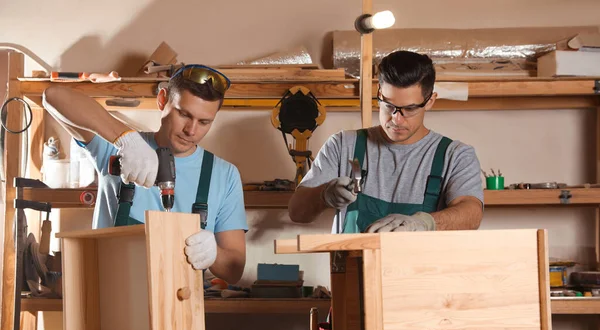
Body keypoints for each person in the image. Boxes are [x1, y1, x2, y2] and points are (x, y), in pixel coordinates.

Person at [42, 65, 247, 284]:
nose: (191, 130)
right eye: (184, 114)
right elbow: (52, 96)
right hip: (112, 301)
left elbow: (234, 271)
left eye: (204, 122)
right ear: (162, 100)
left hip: (180, 308)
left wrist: (213, 253)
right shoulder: (117, 150)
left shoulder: (224, 175)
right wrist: (126, 139)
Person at [288, 50, 483, 233]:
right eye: (389, 106)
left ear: (430, 101)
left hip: (422, 268)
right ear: (379, 94)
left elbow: (472, 213)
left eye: (410, 109)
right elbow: (297, 212)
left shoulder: (455, 155)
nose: (396, 119)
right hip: (354, 268)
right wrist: (323, 195)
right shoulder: (343, 145)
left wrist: (425, 222)